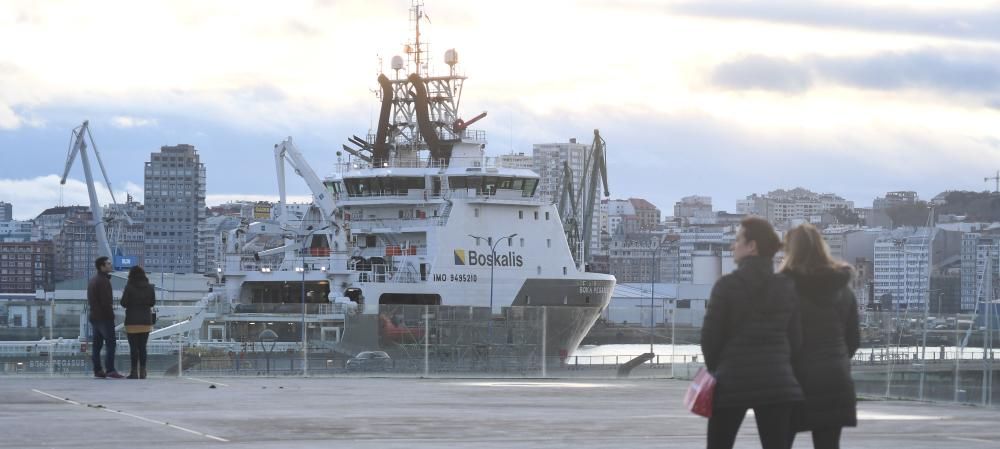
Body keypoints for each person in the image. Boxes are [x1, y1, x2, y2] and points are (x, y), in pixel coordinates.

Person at [701, 217, 803, 449]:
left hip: (731, 381)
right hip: (777, 382)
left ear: (752, 246)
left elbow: (710, 338)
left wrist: (719, 370)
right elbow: (796, 341)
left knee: (719, 444)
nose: (732, 246)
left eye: (737, 240)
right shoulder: (786, 287)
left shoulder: (726, 286)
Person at [780, 223, 860, 449]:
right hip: (834, 379)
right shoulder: (843, 289)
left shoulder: (784, 287)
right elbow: (853, 340)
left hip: (793, 379)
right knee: (828, 444)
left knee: (780, 440)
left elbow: (779, 335)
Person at [88, 256, 124, 379]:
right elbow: (105, 302)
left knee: (96, 345)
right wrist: (111, 316)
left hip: (94, 316)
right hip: (104, 317)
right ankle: (110, 370)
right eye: (108, 264)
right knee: (111, 344)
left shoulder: (93, 280)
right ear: (102, 266)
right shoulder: (103, 281)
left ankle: (97, 370)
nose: (110, 265)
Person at [121, 265, 156, 379]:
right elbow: (152, 303)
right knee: (142, 347)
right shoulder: (150, 287)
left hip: (132, 321)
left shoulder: (129, 287)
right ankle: (143, 371)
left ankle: (134, 372)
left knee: (133, 348)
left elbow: (123, 303)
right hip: (146, 321)